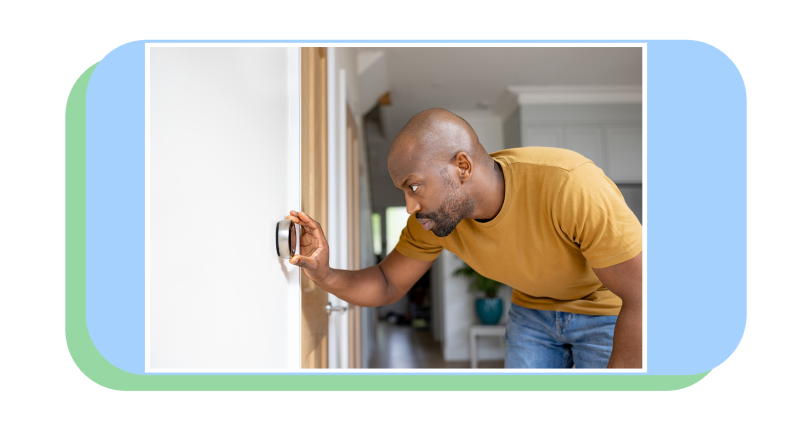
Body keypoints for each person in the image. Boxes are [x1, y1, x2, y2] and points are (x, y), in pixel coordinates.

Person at [286, 108, 642, 368]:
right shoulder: (432, 219)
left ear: (463, 167)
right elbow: (386, 283)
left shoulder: (570, 184)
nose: (410, 206)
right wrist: (325, 273)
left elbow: (643, 297)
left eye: (414, 186)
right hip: (533, 311)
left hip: (607, 311)